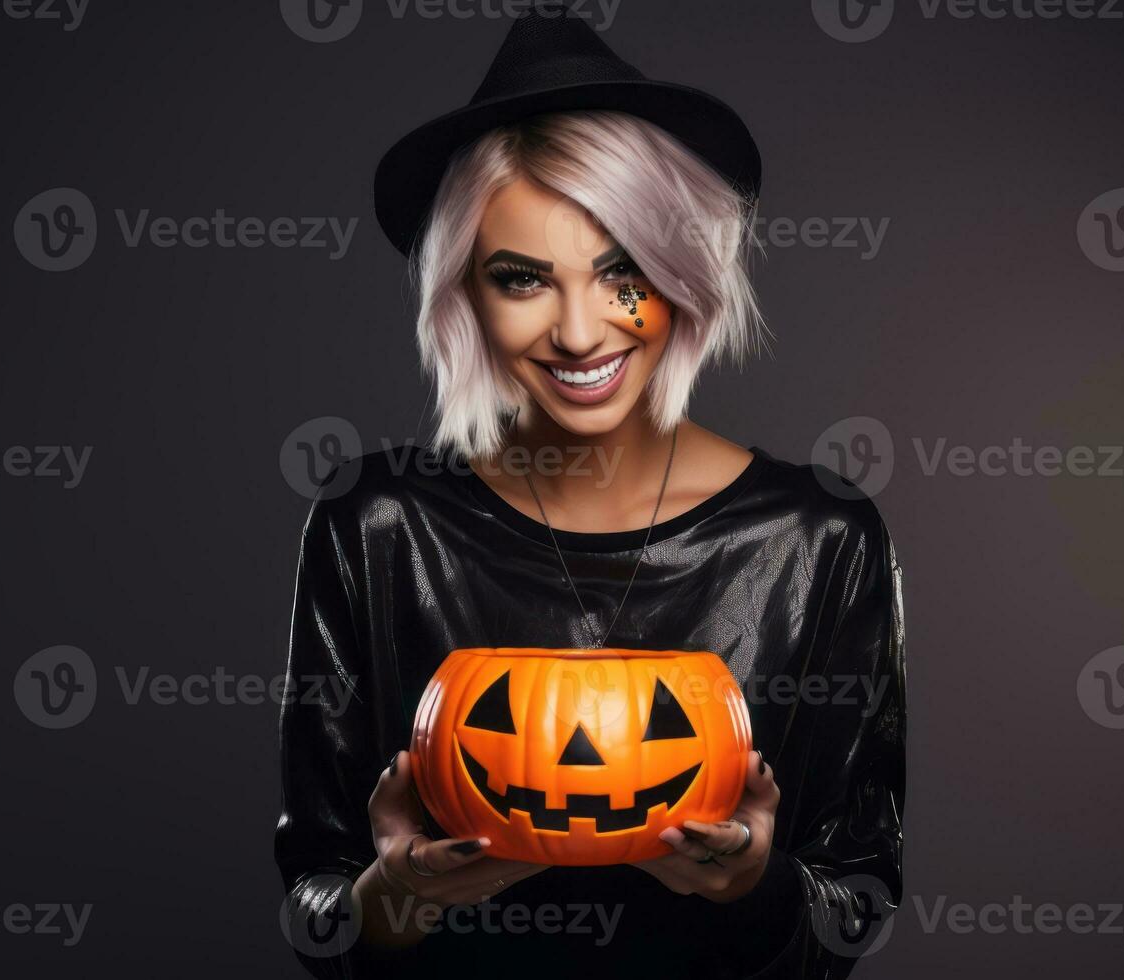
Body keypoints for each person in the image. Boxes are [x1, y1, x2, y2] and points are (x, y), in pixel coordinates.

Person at [275, 5, 907, 978]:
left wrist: (752, 884)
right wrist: (392, 892)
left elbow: (854, 906)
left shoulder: (816, 539)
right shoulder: (374, 526)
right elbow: (315, 910)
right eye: (522, 278)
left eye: (620, 273)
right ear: (465, 298)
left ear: (681, 273)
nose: (578, 332)